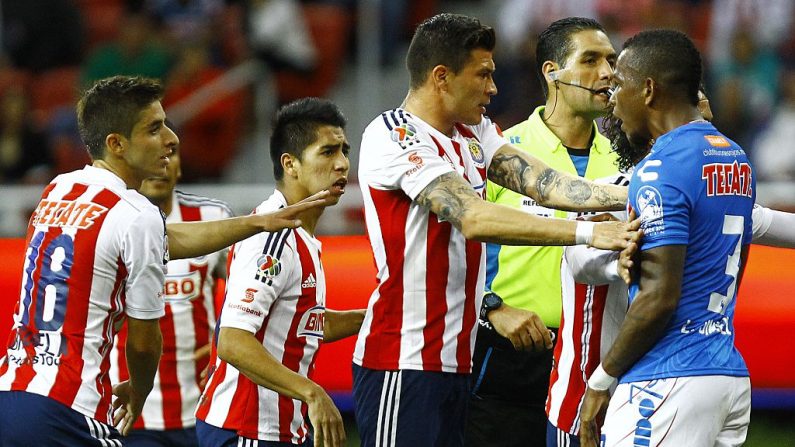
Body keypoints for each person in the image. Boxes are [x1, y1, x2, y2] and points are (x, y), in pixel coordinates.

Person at [353, 13, 640, 447]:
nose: (494, 87)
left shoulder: (474, 133)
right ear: (442, 77)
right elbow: (473, 217)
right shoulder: (394, 135)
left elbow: (547, 185)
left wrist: (653, 190)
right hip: (403, 360)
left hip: (459, 361)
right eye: (483, 74)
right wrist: (587, 234)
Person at [0, 75, 328, 446]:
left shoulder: (59, 189)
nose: (171, 138)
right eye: (154, 129)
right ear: (117, 144)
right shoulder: (136, 213)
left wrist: (256, 223)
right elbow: (142, 343)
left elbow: (165, 239)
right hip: (68, 409)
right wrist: (139, 392)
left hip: (12, 390)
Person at [578, 30, 755, 446]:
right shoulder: (735, 156)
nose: (613, 98)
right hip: (725, 372)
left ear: (649, 89)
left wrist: (601, 381)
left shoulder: (659, 169)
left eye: (620, 83)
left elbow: (659, 297)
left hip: (668, 379)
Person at [467, 17, 619, 447]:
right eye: (590, 60)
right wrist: (491, 308)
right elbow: (452, 253)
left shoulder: (629, 163)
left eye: (611, 61)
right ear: (552, 72)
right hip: (513, 355)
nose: (607, 73)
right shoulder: (501, 154)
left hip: (597, 361)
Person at [195, 97, 365, 447]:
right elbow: (233, 341)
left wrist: (376, 315)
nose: (342, 164)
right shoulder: (272, 241)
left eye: (344, 151)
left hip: (280, 430)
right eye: (328, 152)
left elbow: (305, 325)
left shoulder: (301, 235)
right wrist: (312, 392)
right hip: (246, 429)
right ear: (291, 164)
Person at [109, 141, 231, 446]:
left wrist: (221, 347)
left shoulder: (212, 217)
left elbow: (246, 293)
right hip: (131, 414)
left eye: (171, 152)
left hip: (205, 407)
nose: (161, 160)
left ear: (179, 162)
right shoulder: (111, 222)